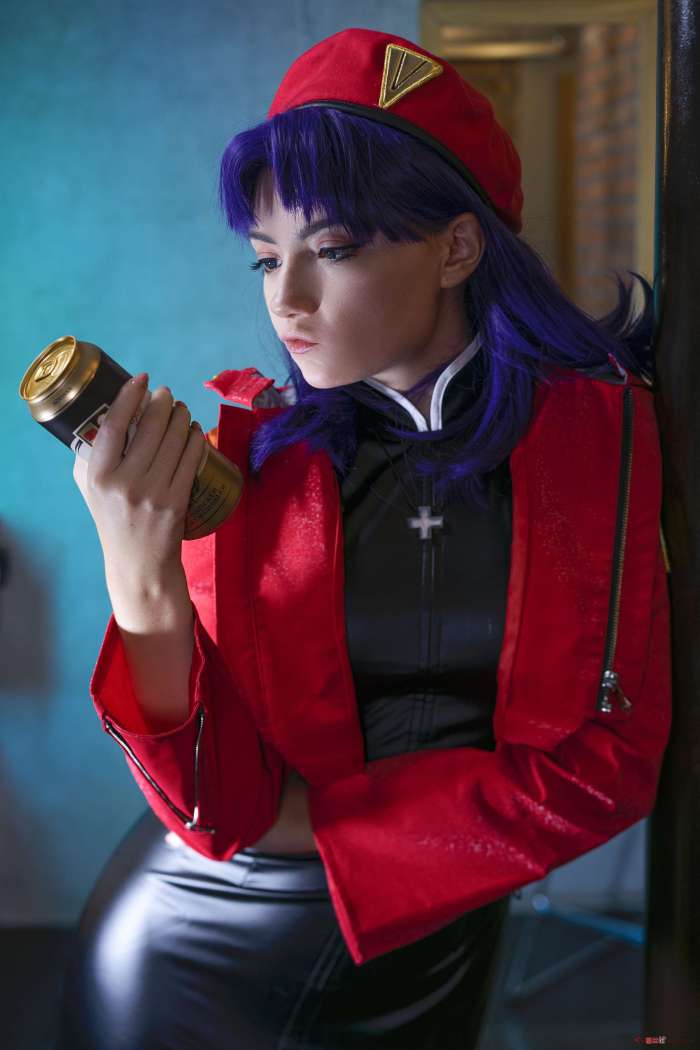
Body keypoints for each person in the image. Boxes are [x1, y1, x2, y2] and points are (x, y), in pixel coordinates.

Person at [56, 26, 672, 1050]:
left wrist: (313, 822)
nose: (285, 300)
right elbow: (216, 810)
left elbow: (608, 773)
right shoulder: (249, 469)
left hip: (430, 943)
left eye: (332, 251)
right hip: (202, 944)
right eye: (267, 260)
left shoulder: (604, 437)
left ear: (456, 248)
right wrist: (139, 572)